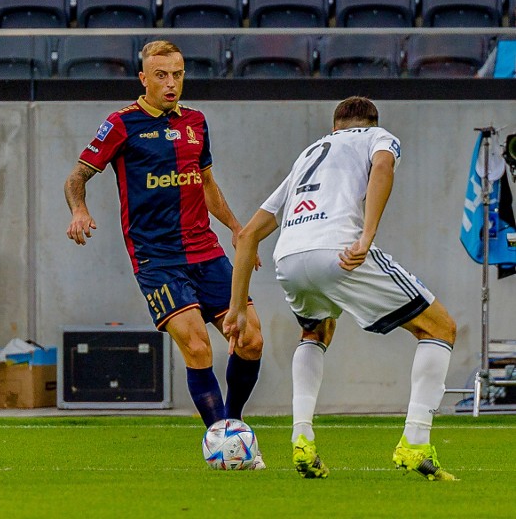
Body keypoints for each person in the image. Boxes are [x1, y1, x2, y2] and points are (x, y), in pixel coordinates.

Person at [224, 96, 458, 481]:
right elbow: (383, 167)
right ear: (368, 123)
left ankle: (302, 438)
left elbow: (248, 235)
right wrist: (366, 237)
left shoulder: (308, 154)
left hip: (290, 257)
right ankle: (414, 444)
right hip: (337, 251)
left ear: (334, 127)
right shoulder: (377, 137)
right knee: (440, 328)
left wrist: (236, 309)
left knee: (316, 330)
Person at [64, 40, 265, 464]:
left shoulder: (196, 121)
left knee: (250, 339)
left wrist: (235, 227)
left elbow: (206, 183)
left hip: (206, 252)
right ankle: (222, 440)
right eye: (161, 75)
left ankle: (232, 428)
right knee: (197, 347)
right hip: (157, 258)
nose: (171, 83)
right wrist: (80, 210)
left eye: (177, 74)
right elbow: (77, 176)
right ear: (144, 78)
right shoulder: (121, 123)